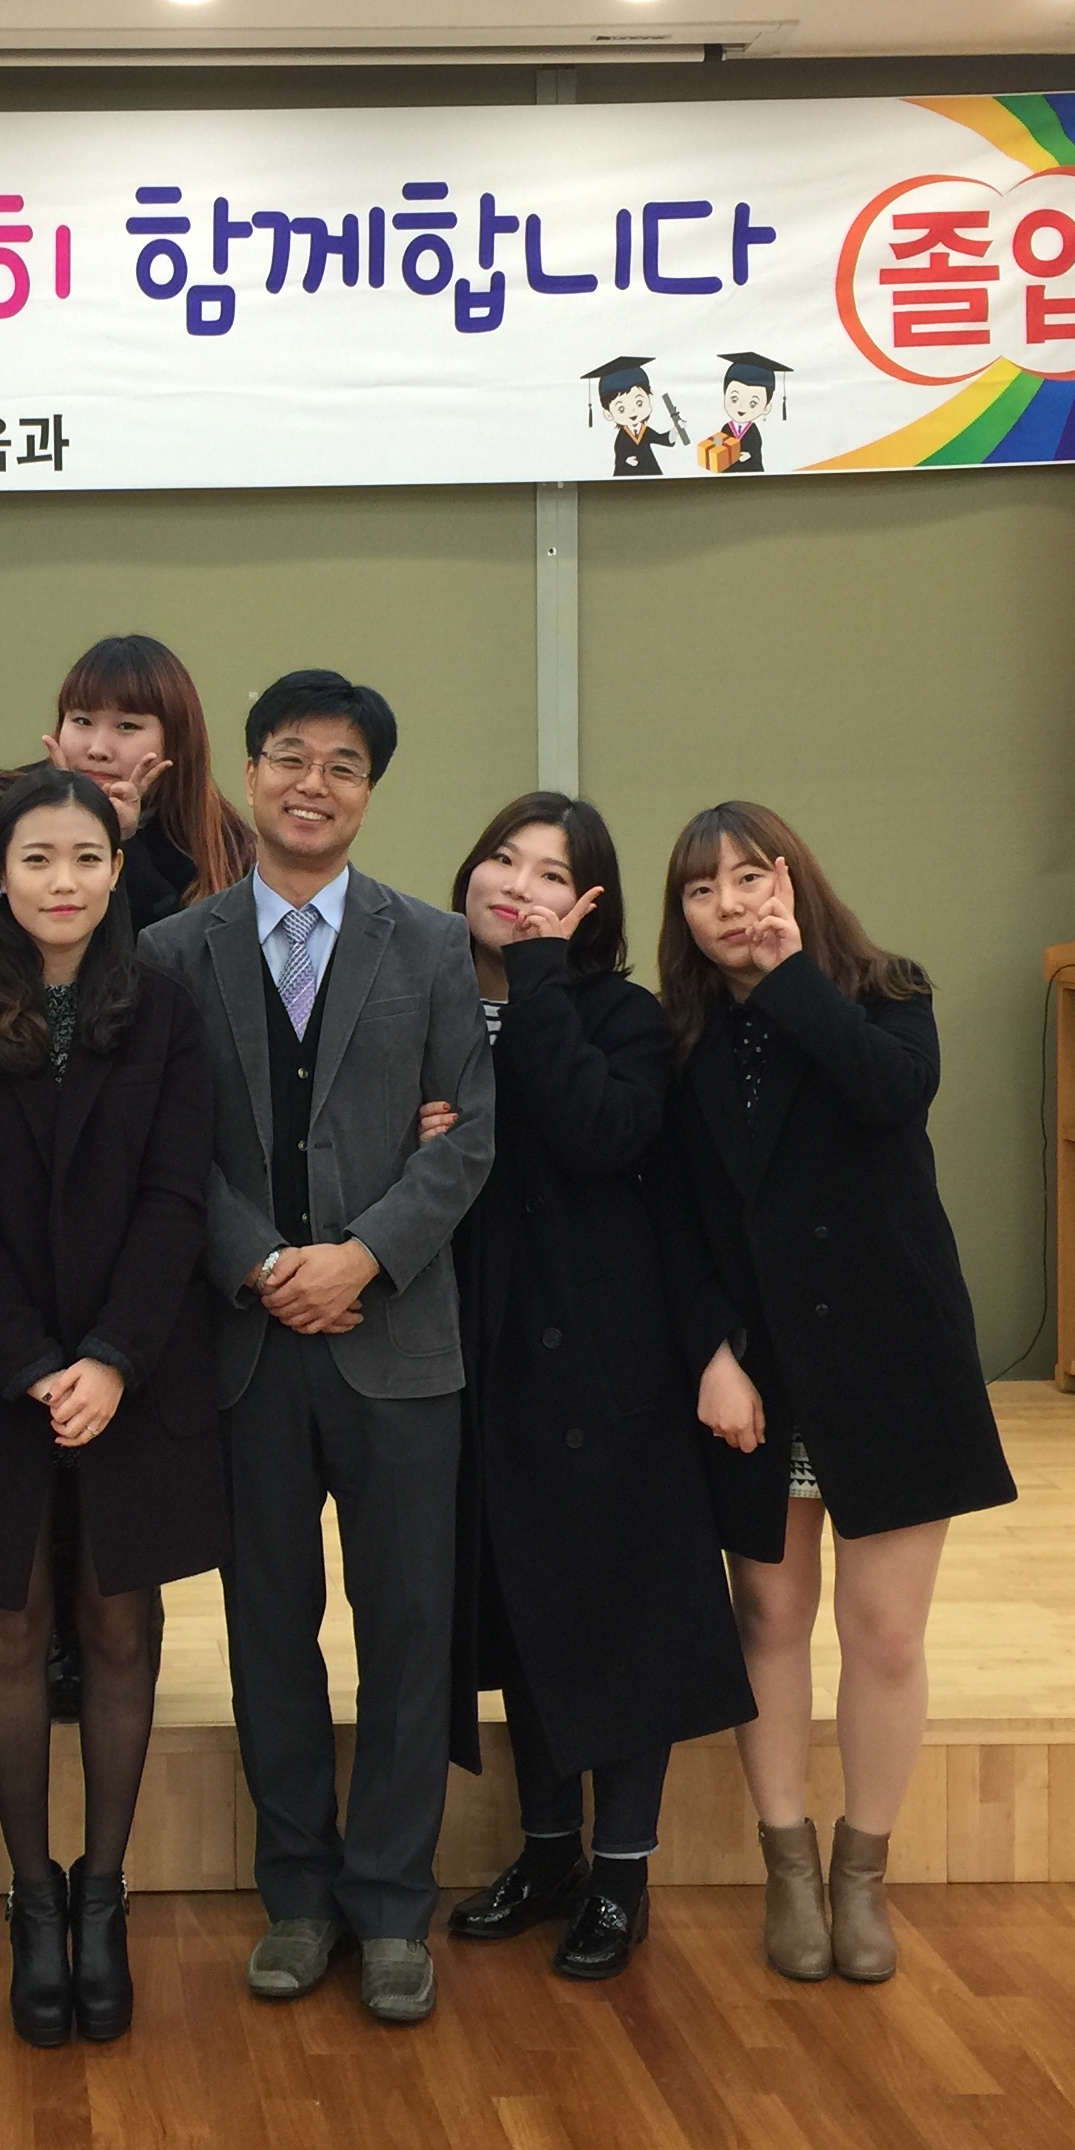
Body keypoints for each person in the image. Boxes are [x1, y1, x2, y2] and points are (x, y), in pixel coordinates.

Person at [138, 670, 495, 2028]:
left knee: (409, 1628)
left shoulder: (433, 944)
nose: (313, 784)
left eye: (343, 766)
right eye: (289, 757)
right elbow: (166, 1142)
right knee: (268, 1629)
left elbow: (469, 1134)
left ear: (369, 792)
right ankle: (296, 1893)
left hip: (399, 1342)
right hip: (248, 1342)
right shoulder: (177, 950)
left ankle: (393, 1905)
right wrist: (262, 1264)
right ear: (251, 774)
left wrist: (364, 1256)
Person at [651, 801, 1017, 1986]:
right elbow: (677, 1225)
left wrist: (791, 977)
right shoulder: (680, 1041)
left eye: (748, 879)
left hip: (891, 1360)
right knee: (768, 1621)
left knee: (886, 1632)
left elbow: (888, 1096)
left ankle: (863, 1870)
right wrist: (711, 1355)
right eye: (701, 890)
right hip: (757, 1373)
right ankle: (789, 1867)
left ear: (792, 879)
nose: (728, 906)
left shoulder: (885, 992)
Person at [0, 769, 224, 2050]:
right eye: (38, 858)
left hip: (131, 1371)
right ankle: (31, 1899)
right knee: (10, 1627)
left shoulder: (166, 1008)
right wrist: (35, 1365)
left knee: (118, 1622)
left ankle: (105, 1895)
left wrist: (110, 1359)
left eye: (87, 858)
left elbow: (177, 1198)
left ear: (116, 870)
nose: (64, 881)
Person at [434, 793, 755, 1984]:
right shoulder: (432, 1002)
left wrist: (538, 979)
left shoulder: (622, 1015)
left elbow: (596, 1130)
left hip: (610, 1360)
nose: (517, 886)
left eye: (550, 875)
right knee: (526, 1614)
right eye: (502, 860)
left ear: (590, 906)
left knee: (621, 1615)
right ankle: (547, 1855)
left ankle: (623, 1873)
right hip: (483, 1357)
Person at [0, 633, 257, 933]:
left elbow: (182, 951)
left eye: (126, 726)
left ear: (175, 739)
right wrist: (51, 820)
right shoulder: (3, 801)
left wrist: (122, 840)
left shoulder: (223, 840)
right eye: (82, 721)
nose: (97, 749)